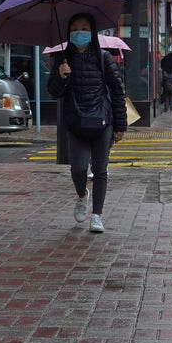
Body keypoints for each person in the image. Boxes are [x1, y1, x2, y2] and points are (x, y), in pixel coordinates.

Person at [47, 13, 127, 233]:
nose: (79, 32)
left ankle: (97, 216)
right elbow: (53, 91)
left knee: (100, 170)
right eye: (74, 28)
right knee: (78, 169)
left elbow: (118, 92)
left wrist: (120, 126)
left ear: (92, 32)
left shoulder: (103, 58)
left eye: (83, 28)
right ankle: (82, 195)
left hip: (103, 120)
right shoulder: (62, 59)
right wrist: (61, 76)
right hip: (75, 122)